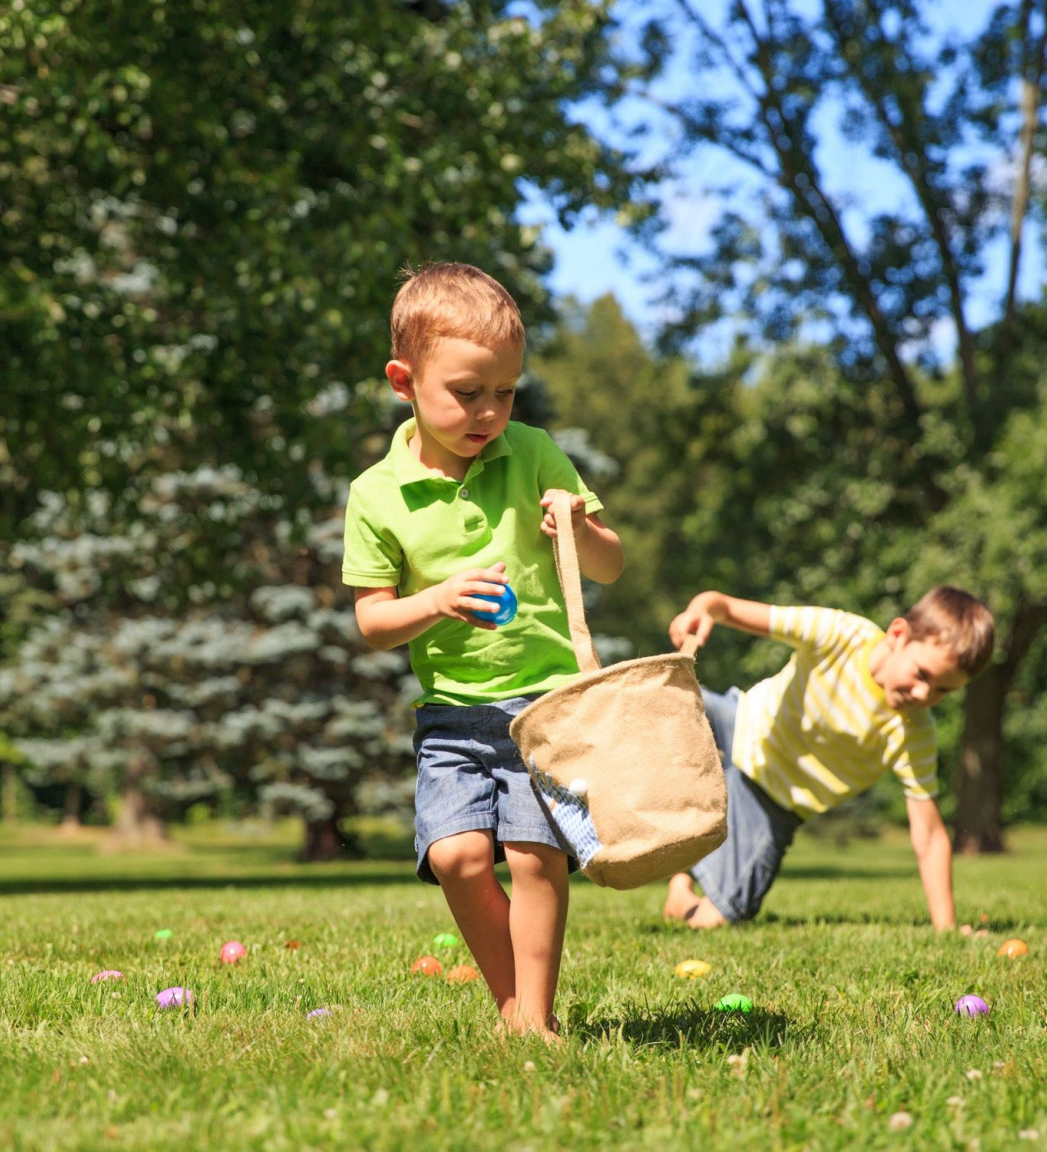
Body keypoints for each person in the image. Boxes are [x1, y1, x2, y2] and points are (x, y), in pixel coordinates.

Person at [343, 262, 623, 1038]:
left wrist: (578, 523)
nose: (489, 411)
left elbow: (609, 564)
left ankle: (531, 1019)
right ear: (404, 380)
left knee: (537, 859)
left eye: (506, 392)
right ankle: (514, 1005)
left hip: (544, 709)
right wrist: (434, 602)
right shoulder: (377, 494)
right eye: (468, 392)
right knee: (459, 860)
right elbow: (373, 621)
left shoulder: (533, 452)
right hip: (452, 717)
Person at [659, 587, 994, 931]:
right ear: (897, 635)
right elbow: (724, 606)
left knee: (717, 918)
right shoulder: (840, 634)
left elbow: (929, 835)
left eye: (943, 690)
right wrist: (700, 610)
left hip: (773, 802)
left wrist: (947, 927)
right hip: (736, 725)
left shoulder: (913, 733)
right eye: (923, 674)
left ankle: (681, 889)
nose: (925, 694)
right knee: (656, 700)